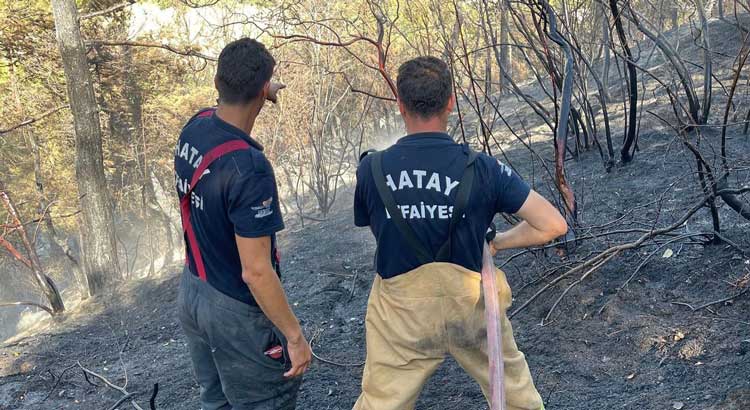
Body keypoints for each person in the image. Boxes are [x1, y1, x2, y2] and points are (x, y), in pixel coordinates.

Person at [352, 56, 568, 410]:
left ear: (400, 105)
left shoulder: (371, 169)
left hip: (402, 320)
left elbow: (375, 227)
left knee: (380, 403)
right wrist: (498, 243)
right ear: (450, 101)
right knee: (518, 399)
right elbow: (553, 224)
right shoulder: (482, 168)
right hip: (473, 309)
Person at [174, 38, 311, 410]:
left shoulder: (196, 128)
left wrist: (267, 87)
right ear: (263, 91)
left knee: (216, 400)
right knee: (266, 400)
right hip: (232, 311)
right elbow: (256, 272)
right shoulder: (248, 168)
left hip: (193, 290)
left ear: (218, 83)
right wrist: (294, 337)